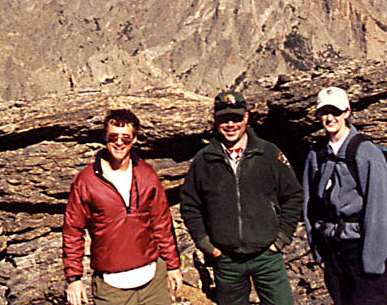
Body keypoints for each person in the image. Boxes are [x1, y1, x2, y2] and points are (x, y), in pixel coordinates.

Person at [179, 91, 302, 305]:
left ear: (246, 118)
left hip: (267, 256)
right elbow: (190, 205)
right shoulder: (204, 160)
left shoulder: (268, 153)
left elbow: (293, 196)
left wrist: (281, 239)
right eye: (224, 119)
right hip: (226, 260)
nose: (230, 124)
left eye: (236, 118)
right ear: (215, 120)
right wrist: (207, 245)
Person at [62, 109, 184, 305]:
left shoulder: (147, 175)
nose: (119, 143)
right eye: (113, 137)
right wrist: (74, 278)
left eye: (125, 138)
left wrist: (173, 266)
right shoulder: (87, 180)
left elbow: (162, 223)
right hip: (111, 288)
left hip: (153, 283)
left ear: (134, 139)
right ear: (105, 137)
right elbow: (72, 231)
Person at [302, 86, 387, 305]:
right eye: (324, 112)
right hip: (332, 249)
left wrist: (372, 262)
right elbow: (309, 203)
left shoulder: (366, 153)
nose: (330, 118)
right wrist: (317, 246)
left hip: (360, 249)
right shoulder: (317, 154)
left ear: (347, 112)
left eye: (335, 111)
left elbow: (379, 208)